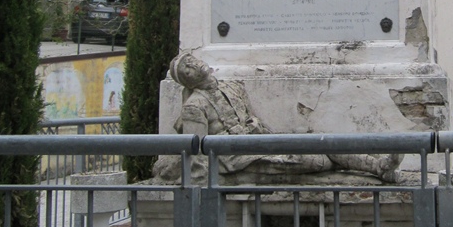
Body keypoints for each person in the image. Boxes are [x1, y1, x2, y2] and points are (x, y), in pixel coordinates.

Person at [153, 52, 402, 185]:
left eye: (192, 60)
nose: (194, 66)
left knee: (318, 141)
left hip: (262, 141)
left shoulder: (232, 86)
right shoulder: (193, 107)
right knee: (315, 160)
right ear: (186, 80)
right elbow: (197, 155)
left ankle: (380, 167)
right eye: (186, 68)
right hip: (238, 160)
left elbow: (253, 119)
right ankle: (378, 169)